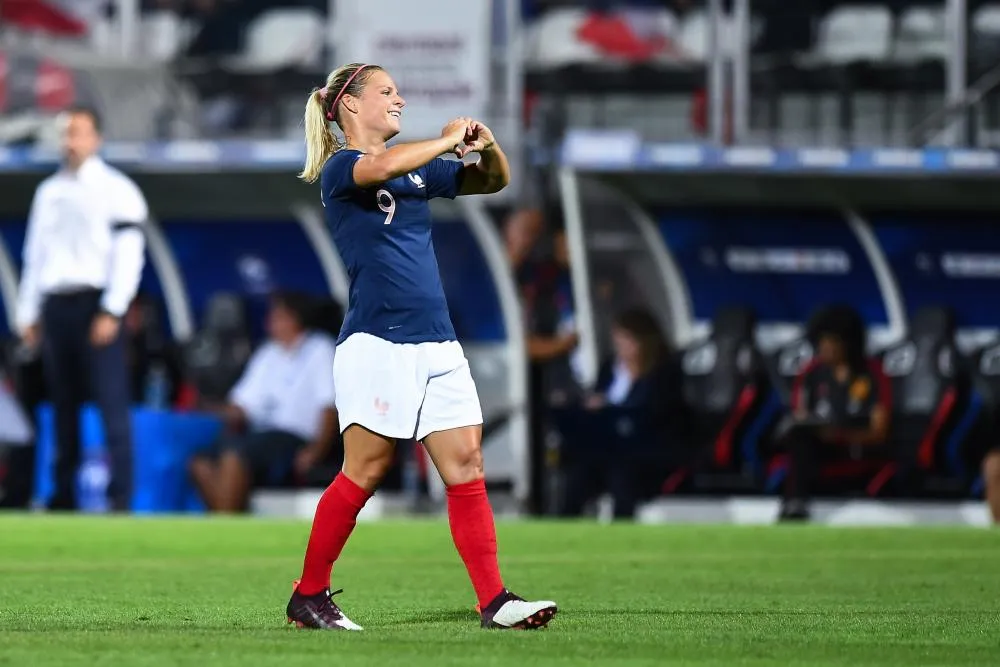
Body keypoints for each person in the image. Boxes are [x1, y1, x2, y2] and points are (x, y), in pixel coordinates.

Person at [288, 62, 557, 631]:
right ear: (351, 106)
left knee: (466, 464)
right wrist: (445, 140)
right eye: (387, 92)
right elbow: (381, 165)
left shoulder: (414, 171)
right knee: (364, 470)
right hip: (377, 341)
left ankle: (496, 601)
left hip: (438, 341)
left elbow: (492, 181)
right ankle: (308, 596)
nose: (400, 100)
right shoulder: (343, 167)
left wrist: (487, 146)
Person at [16, 106, 148, 512]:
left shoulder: (116, 189)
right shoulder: (49, 191)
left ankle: (120, 496)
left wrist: (112, 309)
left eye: (77, 132)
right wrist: (27, 312)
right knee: (62, 404)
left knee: (111, 401)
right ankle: (62, 494)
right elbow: (35, 256)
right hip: (56, 305)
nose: (69, 141)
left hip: (97, 302)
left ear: (96, 138)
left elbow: (129, 254)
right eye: (65, 133)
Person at [188, 291, 338, 512]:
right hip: (260, 435)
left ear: (294, 318)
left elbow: (329, 407)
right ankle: (227, 522)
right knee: (200, 461)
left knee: (234, 454)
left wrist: (316, 451)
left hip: (294, 437)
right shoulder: (267, 354)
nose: (269, 322)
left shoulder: (320, 349)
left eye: (276, 315)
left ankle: (225, 525)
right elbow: (241, 406)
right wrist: (207, 408)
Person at [559, 308, 684, 519]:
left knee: (621, 472)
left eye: (626, 340)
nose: (620, 346)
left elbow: (658, 413)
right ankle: (563, 526)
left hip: (647, 449)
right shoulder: (611, 368)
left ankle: (622, 524)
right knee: (580, 472)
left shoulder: (664, 372)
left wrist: (611, 407)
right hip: (608, 446)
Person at [777, 305, 892, 521]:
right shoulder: (812, 373)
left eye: (831, 341)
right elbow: (800, 415)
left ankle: (796, 501)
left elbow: (879, 432)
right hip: (817, 450)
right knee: (799, 439)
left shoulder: (872, 374)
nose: (824, 348)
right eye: (821, 341)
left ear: (848, 343)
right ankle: (795, 503)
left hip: (856, 450)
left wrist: (838, 435)